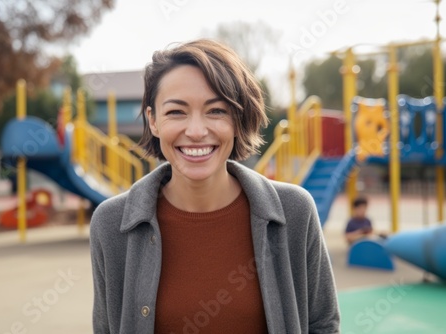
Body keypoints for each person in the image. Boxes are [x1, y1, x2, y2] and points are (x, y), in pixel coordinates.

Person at [90, 39, 340, 333]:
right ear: (153, 120)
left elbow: (323, 324)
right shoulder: (111, 224)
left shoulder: (295, 212)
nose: (196, 131)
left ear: (238, 118)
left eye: (216, 111)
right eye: (176, 112)